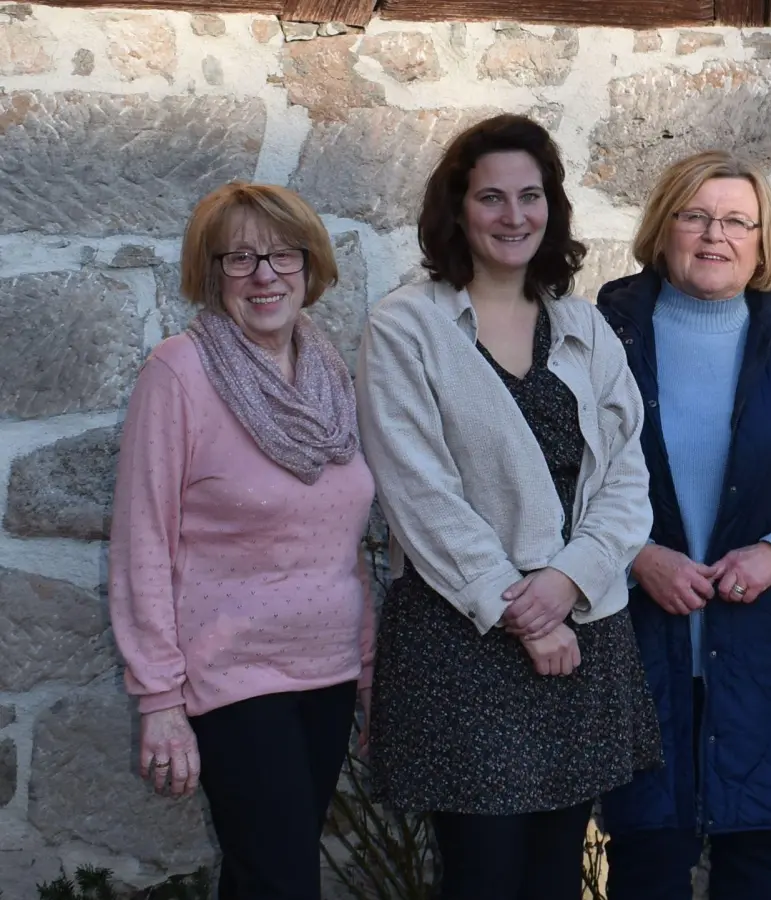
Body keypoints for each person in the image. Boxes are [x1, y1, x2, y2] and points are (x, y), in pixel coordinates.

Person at [354, 113, 661, 900]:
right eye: (492, 198)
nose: (514, 216)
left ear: (552, 209)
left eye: (531, 196)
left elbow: (627, 481)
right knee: (483, 876)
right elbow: (420, 494)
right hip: (464, 637)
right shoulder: (407, 328)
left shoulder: (585, 327)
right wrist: (525, 611)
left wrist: (568, 584)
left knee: (555, 876)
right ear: (457, 210)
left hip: (581, 632)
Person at [595, 150, 771, 900]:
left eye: (735, 221)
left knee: (754, 869)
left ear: (761, 240)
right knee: (646, 863)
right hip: (638, 644)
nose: (713, 235)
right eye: (694, 216)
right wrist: (637, 557)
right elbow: (565, 482)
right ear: (663, 230)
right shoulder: (607, 336)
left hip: (765, 651)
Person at [108, 182, 372, 899]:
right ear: (210, 271)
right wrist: (159, 700)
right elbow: (142, 543)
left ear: (310, 265)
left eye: (283, 254)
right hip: (234, 679)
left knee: (265, 878)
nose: (264, 276)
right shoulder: (179, 373)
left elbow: (344, 540)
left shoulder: (328, 373)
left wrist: (369, 663)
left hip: (329, 672)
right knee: (282, 882)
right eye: (239, 259)